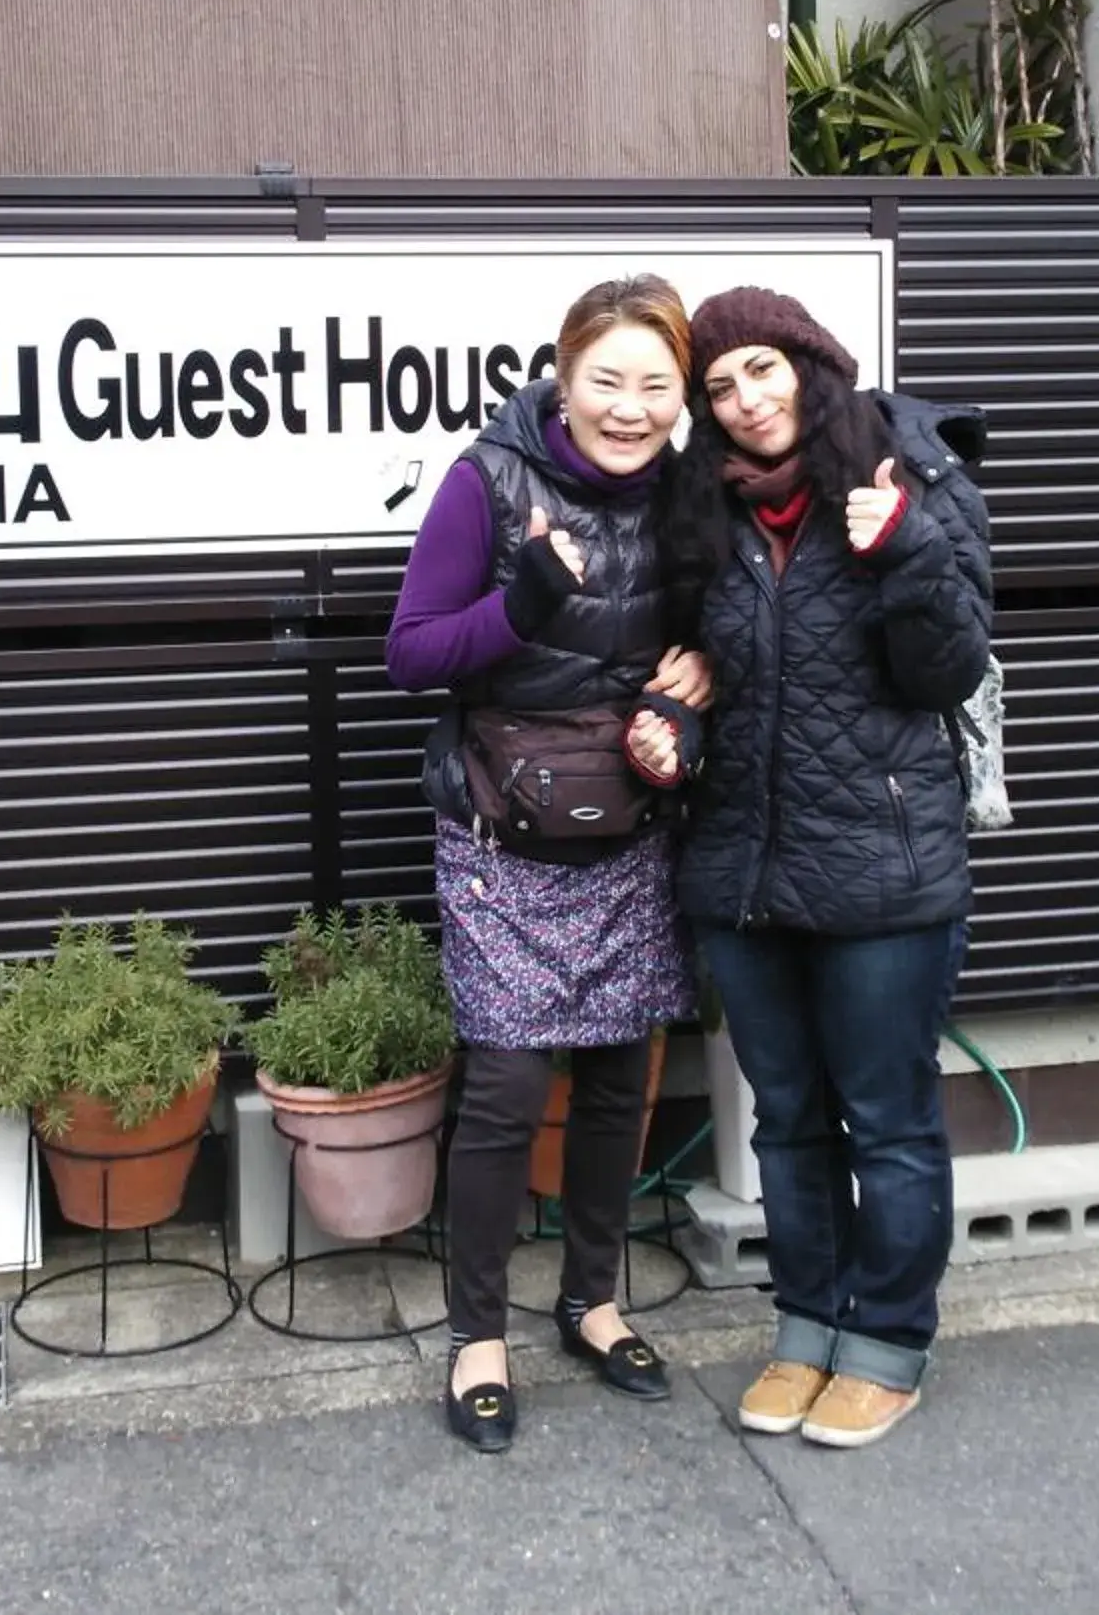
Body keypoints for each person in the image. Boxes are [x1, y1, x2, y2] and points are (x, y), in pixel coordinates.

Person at [385, 274, 713, 1455]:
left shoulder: (690, 489)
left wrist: (706, 677)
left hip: (630, 821)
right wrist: (521, 603)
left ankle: (593, 1299)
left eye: (655, 386)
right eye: (605, 381)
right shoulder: (488, 481)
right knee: (509, 1090)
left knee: (621, 1082)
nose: (629, 409)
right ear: (562, 377)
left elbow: (726, 625)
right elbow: (411, 654)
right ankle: (479, 1333)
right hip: (500, 831)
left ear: (683, 396)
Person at [662, 285, 993, 1452]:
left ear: (807, 361)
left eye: (761, 369)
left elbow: (949, 669)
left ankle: (889, 1343)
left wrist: (903, 550)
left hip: (883, 868)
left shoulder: (909, 472)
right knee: (788, 1121)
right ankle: (807, 1326)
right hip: (746, 871)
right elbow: (707, 669)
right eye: (720, 386)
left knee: (887, 1120)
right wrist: (676, 720)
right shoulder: (706, 508)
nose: (746, 400)